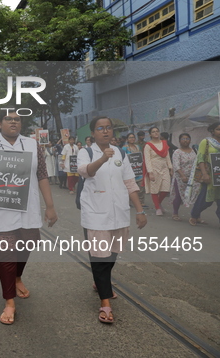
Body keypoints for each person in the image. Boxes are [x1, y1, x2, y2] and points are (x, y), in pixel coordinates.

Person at [0, 110, 57, 325]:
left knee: (25, 248)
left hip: (27, 208)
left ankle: (17, 277)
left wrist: (50, 206)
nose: (13, 122)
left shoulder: (32, 144)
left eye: (17, 119)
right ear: (0, 123)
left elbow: (42, 175)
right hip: (1, 209)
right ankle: (9, 301)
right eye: (8, 119)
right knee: (6, 255)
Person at [78, 116, 147, 324]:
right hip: (95, 213)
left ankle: (101, 283)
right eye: (101, 128)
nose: (106, 131)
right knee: (100, 258)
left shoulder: (120, 152)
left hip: (119, 213)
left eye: (109, 128)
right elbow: (85, 172)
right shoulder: (85, 152)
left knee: (112, 255)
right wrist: (101, 159)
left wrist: (139, 210)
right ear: (93, 133)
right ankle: (105, 302)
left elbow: (129, 182)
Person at [189, 122, 220, 226]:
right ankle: (194, 215)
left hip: (219, 175)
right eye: (218, 129)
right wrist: (205, 174)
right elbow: (201, 158)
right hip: (210, 175)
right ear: (212, 131)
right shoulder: (206, 142)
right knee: (206, 200)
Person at [170, 133, 200, 221]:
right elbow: (176, 165)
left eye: (187, 138)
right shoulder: (177, 152)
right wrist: (182, 176)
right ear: (179, 141)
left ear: (190, 140)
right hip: (180, 178)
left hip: (193, 177)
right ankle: (175, 213)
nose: (185, 140)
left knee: (196, 195)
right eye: (183, 139)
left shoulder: (194, 150)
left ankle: (196, 216)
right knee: (179, 196)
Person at [144, 127, 173, 216]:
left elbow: (167, 156)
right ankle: (157, 208)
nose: (156, 133)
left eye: (157, 131)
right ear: (150, 134)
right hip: (154, 168)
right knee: (155, 189)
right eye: (153, 132)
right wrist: (150, 172)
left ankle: (158, 203)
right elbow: (147, 160)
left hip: (164, 168)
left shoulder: (164, 143)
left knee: (166, 189)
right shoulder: (148, 145)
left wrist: (170, 168)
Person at [122, 133, 147, 208]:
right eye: (130, 137)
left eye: (133, 137)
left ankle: (141, 202)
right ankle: (129, 201)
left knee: (141, 187)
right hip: (130, 170)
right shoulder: (124, 148)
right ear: (127, 139)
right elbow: (122, 158)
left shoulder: (137, 147)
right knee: (130, 187)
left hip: (139, 170)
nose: (132, 139)